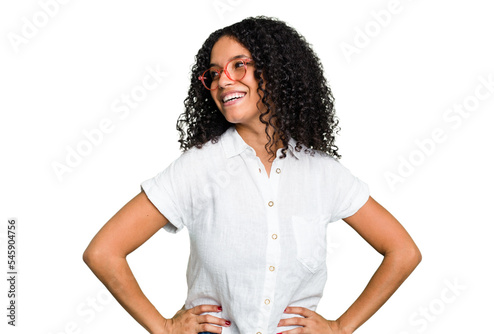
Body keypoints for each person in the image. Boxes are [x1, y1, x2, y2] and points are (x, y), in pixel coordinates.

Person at [83, 16, 421, 334]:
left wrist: (340, 327)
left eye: (239, 65)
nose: (222, 80)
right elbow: (104, 251)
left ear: (277, 71)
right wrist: (165, 327)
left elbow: (402, 252)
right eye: (213, 73)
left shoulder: (323, 174)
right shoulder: (200, 167)